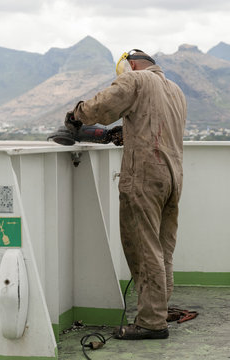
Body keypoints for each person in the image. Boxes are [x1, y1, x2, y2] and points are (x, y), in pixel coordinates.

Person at [65, 49, 187, 340]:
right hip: (173, 177)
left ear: (131, 66)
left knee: (144, 250)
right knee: (162, 248)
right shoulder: (175, 90)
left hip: (145, 175)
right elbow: (155, 125)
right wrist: (128, 131)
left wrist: (75, 116)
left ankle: (151, 323)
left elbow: (101, 107)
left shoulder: (136, 79)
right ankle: (160, 308)